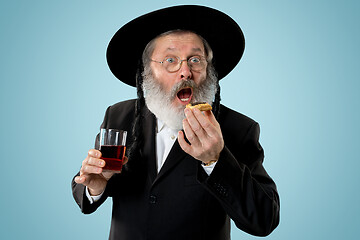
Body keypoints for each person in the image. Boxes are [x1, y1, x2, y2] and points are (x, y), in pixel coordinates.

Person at [72, 5, 280, 240]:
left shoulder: (238, 129)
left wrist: (216, 160)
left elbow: (265, 219)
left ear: (208, 70)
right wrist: (95, 187)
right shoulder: (119, 116)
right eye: (170, 60)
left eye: (195, 60)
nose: (185, 72)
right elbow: (84, 192)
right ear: (145, 73)